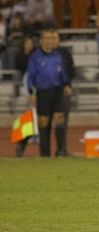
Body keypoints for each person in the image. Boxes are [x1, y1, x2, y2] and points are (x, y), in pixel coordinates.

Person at [26, 29, 71, 157]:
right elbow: (31, 77)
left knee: (60, 121)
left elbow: (62, 74)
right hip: (43, 93)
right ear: (41, 41)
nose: (50, 40)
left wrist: (66, 84)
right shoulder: (35, 57)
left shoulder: (57, 56)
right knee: (44, 123)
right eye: (47, 38)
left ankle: (60, 151)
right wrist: (32, 92)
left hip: (57, 92)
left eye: (52, 38)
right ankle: (44, 153)